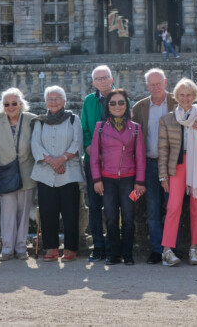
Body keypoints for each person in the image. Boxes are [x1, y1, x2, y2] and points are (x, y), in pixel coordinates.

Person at [157, 78, 197, 267]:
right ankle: (167, 250)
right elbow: (163, 150)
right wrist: (163, 175)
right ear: (176, 96)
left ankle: (193, 248)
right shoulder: (167, 119)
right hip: (177, 167)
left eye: (189, 95)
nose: (185, 98)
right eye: (181, 94)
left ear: (194, 96)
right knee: (173, 207)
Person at [89, 88, 146, 266]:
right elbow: (94, 157)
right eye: (113, 103)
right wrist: (97, 180)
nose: (117, 106)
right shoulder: (100, 128)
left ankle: (127, 253)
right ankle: (114, 253)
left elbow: (141, 157)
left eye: (121, 102)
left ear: (126, 105)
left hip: (129, 181)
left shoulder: (136, 128)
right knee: (111, 217)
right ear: (108, 106)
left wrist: (140, 182)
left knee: (129, 218)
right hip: (107, 180)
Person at [31, 86, 84, 262]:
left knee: (70, 212)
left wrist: (61, 159)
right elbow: (35, 145)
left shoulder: (73, 119)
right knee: (47, 212)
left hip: (68, 172)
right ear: (45, 101)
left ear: (64, 101)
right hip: (46, 173)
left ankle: (70, 248)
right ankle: (51, 248)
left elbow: (77, 143)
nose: (53, 102)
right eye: (50, 98)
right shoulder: (39, 121)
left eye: (57, 98)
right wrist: (52, 162)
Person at [0, 88, 38, 262]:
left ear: (21, 104)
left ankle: (21, 248)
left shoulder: (31, 119)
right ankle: (7, 248)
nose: (10, 107)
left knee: (24, 213)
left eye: (14, 103)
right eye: (6, 104)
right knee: (7, 212)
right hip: (6, 172)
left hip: (26, 171)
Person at [130, 68, 175, 264]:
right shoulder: (139, 107)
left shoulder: (177, 102)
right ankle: (157, 250)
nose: (155, 87)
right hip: (149, 165)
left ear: (166, 82)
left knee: (172, 208)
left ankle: (170, 248)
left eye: (159, 83)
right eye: (151, 84)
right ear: (146, 86)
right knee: (153, 210)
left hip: (172, 166)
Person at [81, 65, 114, 262]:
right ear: (94, 83)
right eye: (98, 79)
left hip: (113, 161)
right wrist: (87, 146)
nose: (102, 81)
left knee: (111, 205)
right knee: (94, 205)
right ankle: (98, 245)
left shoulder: (120, 98)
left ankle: (111, 244)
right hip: (92, 159)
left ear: (112, 79)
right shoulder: (88, 101)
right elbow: (84, 127)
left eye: (105, 77)